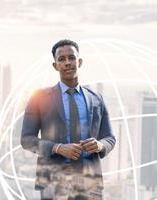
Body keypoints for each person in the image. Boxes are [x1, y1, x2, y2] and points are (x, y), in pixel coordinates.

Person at [20, 39, 116, 200]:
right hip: (54, 181)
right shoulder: (39, 98)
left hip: (89, 181)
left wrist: (100, 145)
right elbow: (26, 140)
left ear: (79, 62)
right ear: (55, 65)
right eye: (61, 59)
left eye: (71, 58)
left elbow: (110, 138)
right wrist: (57, 148)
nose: (67, 63)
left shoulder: (96, 99)